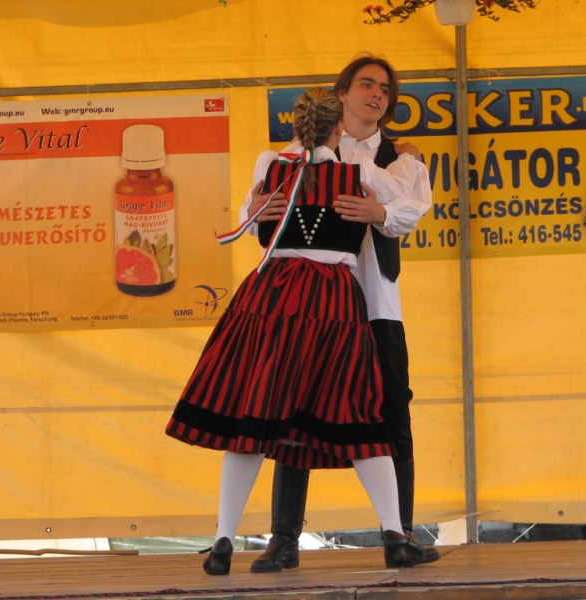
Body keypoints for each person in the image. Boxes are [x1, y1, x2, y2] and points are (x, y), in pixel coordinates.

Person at [166, 87, 435, 575]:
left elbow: (253, 223)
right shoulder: (359, 172)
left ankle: (223, 541)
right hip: (332, 298)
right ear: (339, 127)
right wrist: (410, 162)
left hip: (273, 296)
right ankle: (395, 535)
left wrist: (256, 206)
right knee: (360, 411)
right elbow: (410, 198)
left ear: (297, 126)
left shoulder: (271, 166)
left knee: (254, 415)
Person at [248, 54, 437, 574]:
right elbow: (254, 213)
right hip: (310, 305)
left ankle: (399, 535)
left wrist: (379, 212)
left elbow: (413, 209)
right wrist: (260, 210)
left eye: (385, 89)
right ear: (342, 93)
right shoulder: (295, 156)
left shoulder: (399, 158)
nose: (377, 94)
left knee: (393, 409)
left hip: (375, 302)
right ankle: (283, 540)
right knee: (294, 411)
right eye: (367, 84)